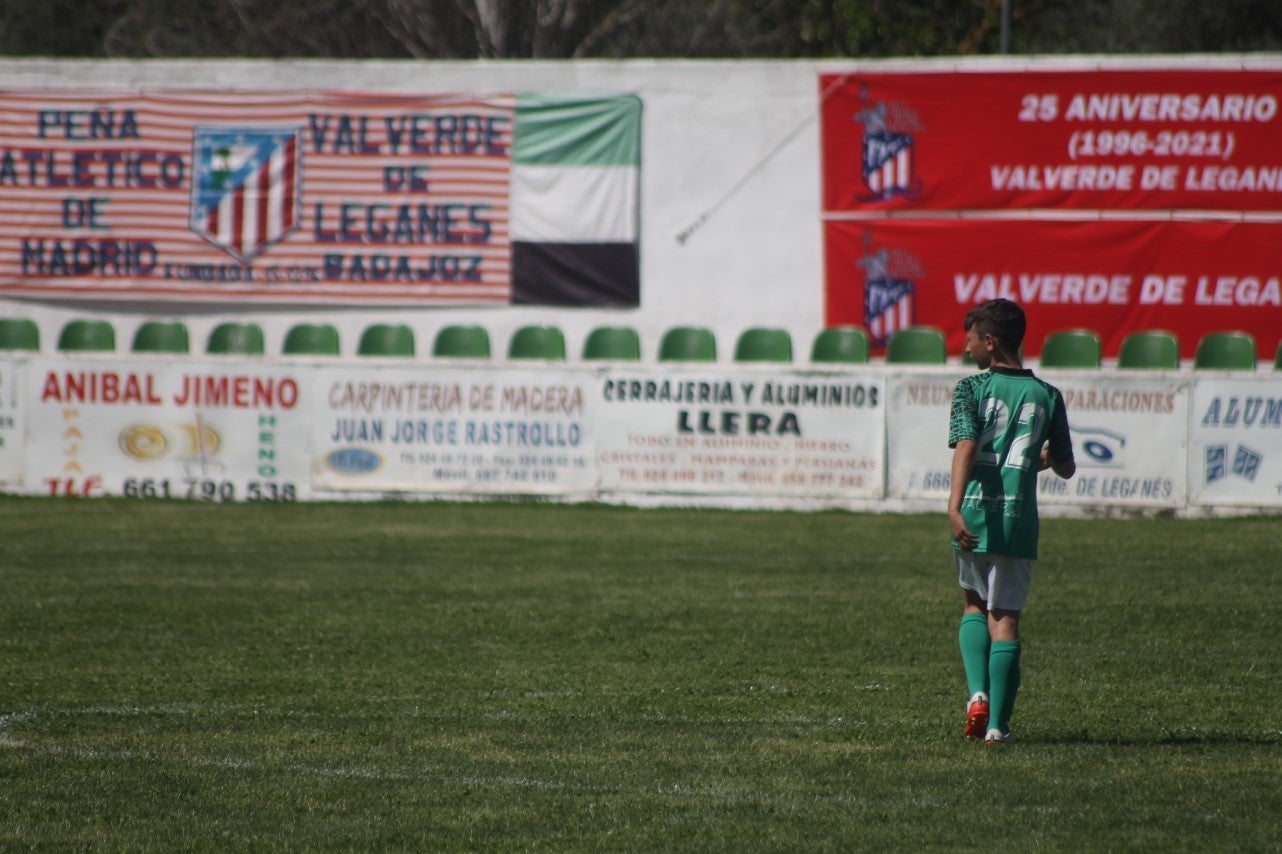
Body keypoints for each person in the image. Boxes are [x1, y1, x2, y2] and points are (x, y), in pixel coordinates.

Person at [946, 299, 1075, 746]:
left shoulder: (970, 390)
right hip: (1018, 522)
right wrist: (1033, 462)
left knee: (973, 606)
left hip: (976, 514)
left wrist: (954, 506)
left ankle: (977, 693)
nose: (964, 349)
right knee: (1007, 619)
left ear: (989, 340)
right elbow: (1065, 465)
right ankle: (998, 727)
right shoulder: (1049, 395)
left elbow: (965, 446)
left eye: (969, 338)